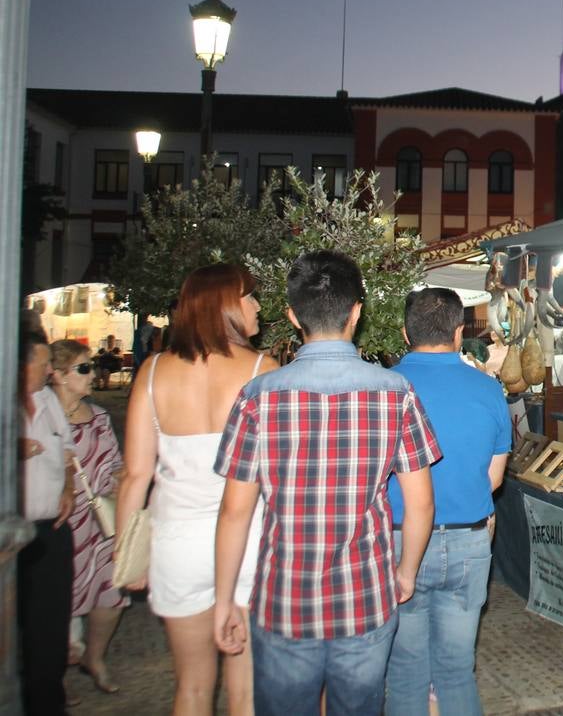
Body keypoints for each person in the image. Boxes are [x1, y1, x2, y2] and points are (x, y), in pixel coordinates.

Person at [213, 250, 440, 716]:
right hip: (365, 599)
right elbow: (420, 506)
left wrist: (222, 599)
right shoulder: (396, 394)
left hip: (282, 602)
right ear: (357, 310)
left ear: (293, 315)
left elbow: (235, 511)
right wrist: (406, 572)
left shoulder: (257, 398)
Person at [117, 263, 279, 715]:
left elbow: (135, 475)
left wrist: (125, 552)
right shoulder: (263, 370)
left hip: (177, 543)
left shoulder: (153, 373)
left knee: (190, 688)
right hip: (248, 541)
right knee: (247, 691)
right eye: (250, 296)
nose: (258, 306)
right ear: (225, 305)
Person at [384, 288, 511, 715]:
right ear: (459, 333)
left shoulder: (383, 390)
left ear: (405, 333)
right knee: (457, 669)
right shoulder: (490, 390)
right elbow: (493, 480)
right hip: (469, 544)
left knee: (405, 670)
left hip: (399, 544)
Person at [49, 340, 127, 694]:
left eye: (91, 367)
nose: (92, 374)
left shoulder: (97, 417)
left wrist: (121, 480)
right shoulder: (39, 419)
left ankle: (95, 658)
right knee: (55, 602)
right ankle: (53, 678)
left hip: (99, 523)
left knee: (109, 593)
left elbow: (114, 464)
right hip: (59, 523)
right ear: (60, 376)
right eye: (83, 368)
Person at [17, 331, 77, 714]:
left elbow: (68, 450)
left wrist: (69, 488)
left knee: (52, 618)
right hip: (12, 536)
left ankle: (48, 698)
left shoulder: (49, 400)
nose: (50, 370)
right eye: (43, 363)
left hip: (52, 530)